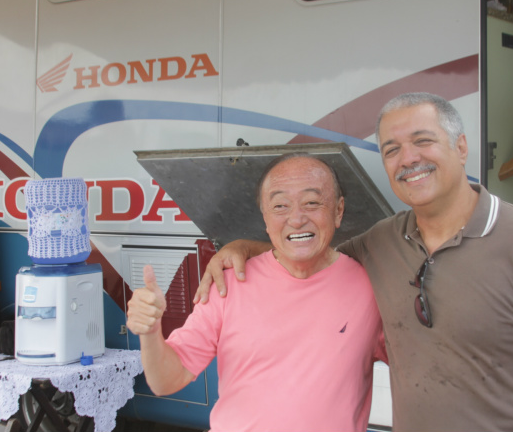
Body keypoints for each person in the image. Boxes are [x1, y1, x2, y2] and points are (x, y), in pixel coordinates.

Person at [194, 92, 513, 432]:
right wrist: (244, 246)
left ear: (461, 146)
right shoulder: (382, 242)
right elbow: (308, 250)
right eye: (392, 149)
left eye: (423, 141)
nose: (408, 158)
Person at [127, 153, 387, 432]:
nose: (296, 219)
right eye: (280, 206)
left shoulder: (372, 289)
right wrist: (151, 333)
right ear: (265, 217)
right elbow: (166, 380)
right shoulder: (229, 283)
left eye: (312, 202)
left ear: (338, 211)